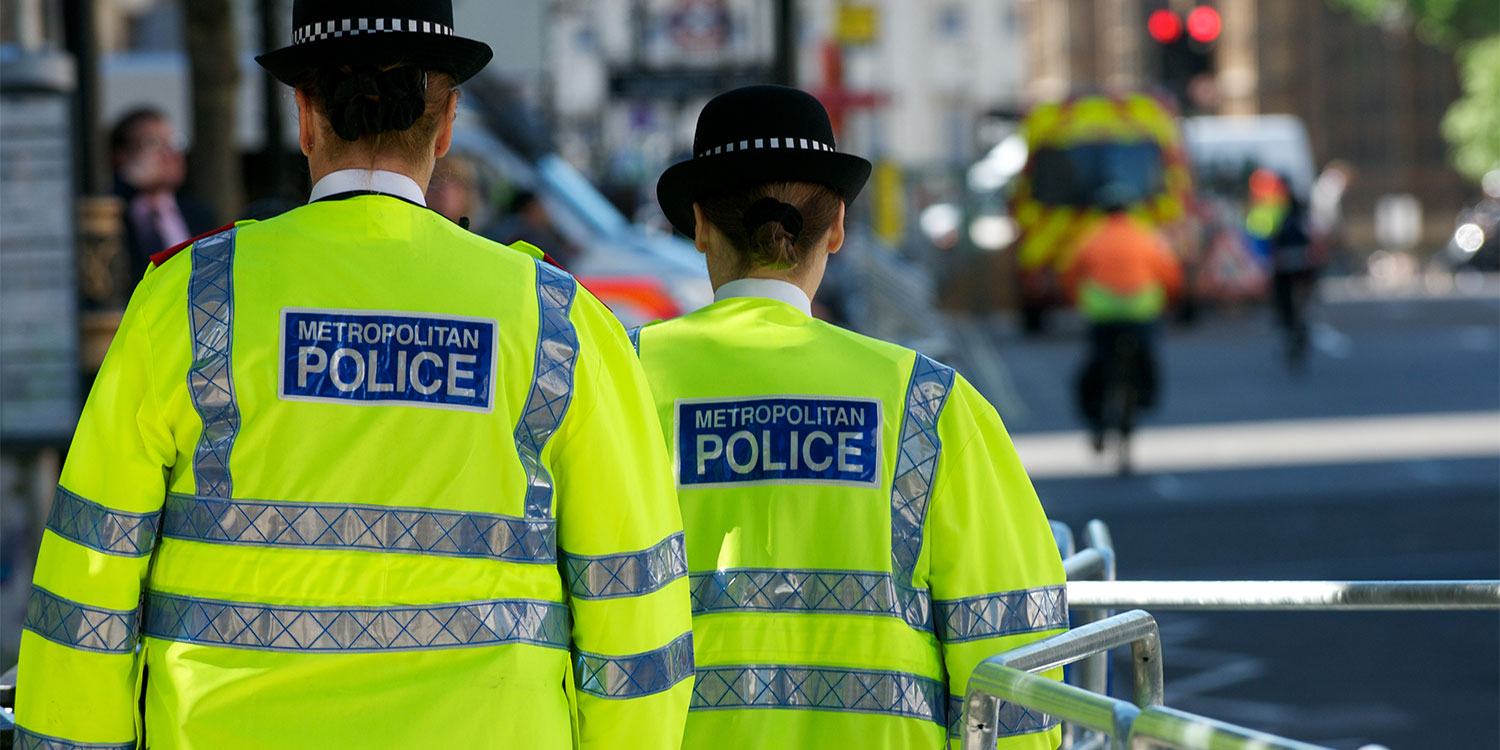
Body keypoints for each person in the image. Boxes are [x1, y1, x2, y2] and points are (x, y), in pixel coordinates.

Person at [14, 2, 692, 748]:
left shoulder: (193, 299)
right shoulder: (558, 321)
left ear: (305, 117)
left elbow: (88, 581)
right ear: (447, 122)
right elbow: (634, 608)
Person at [630, 85, 1068, 750]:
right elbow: (1013, 654)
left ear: (698, 224)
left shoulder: (619, 379)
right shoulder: (930, 400)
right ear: (835, 228)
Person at [1063, 185, 1183, 451]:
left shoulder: (1091, 236)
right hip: (1141, 310)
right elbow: (1170, 272)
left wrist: (1077, 301)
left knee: (1095, 365)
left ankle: (1096, 420)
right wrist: (1172, 301)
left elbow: (1071, 274)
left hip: (1103, 313)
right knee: (1148, 356)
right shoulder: (1146, 235)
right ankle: (1144, 396)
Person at [109, 107, 218, 280]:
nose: (170, 154)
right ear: (122, 155)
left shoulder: (199, 214)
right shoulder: (113, 210)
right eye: (152, 143)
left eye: (175, 142)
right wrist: (125, 183)